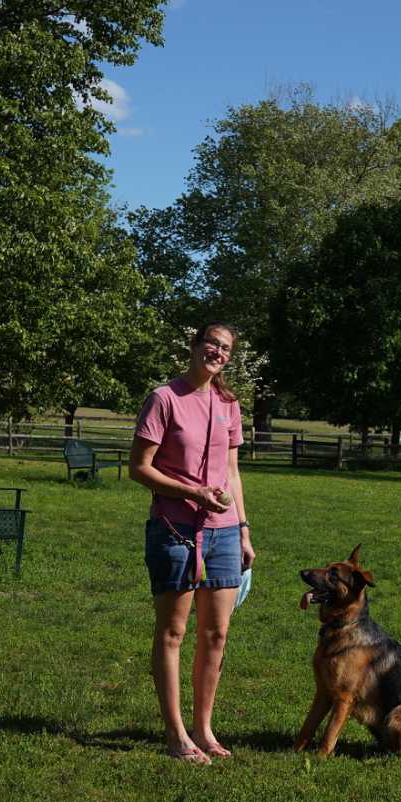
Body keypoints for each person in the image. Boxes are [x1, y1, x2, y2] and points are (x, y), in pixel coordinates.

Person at [129, 322, 255, 763]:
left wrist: (243, 529)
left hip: (223, 532)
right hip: (175, 528)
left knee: (216, 633)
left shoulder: (228, 404)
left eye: (225, 349)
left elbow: (233, 473)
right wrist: (192, 492)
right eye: (211, 344)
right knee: (173, 631)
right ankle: (176, 733)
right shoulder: (164, 399)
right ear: (195, 345)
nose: (217, 353)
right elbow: (139, 468)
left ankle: (204, 728)